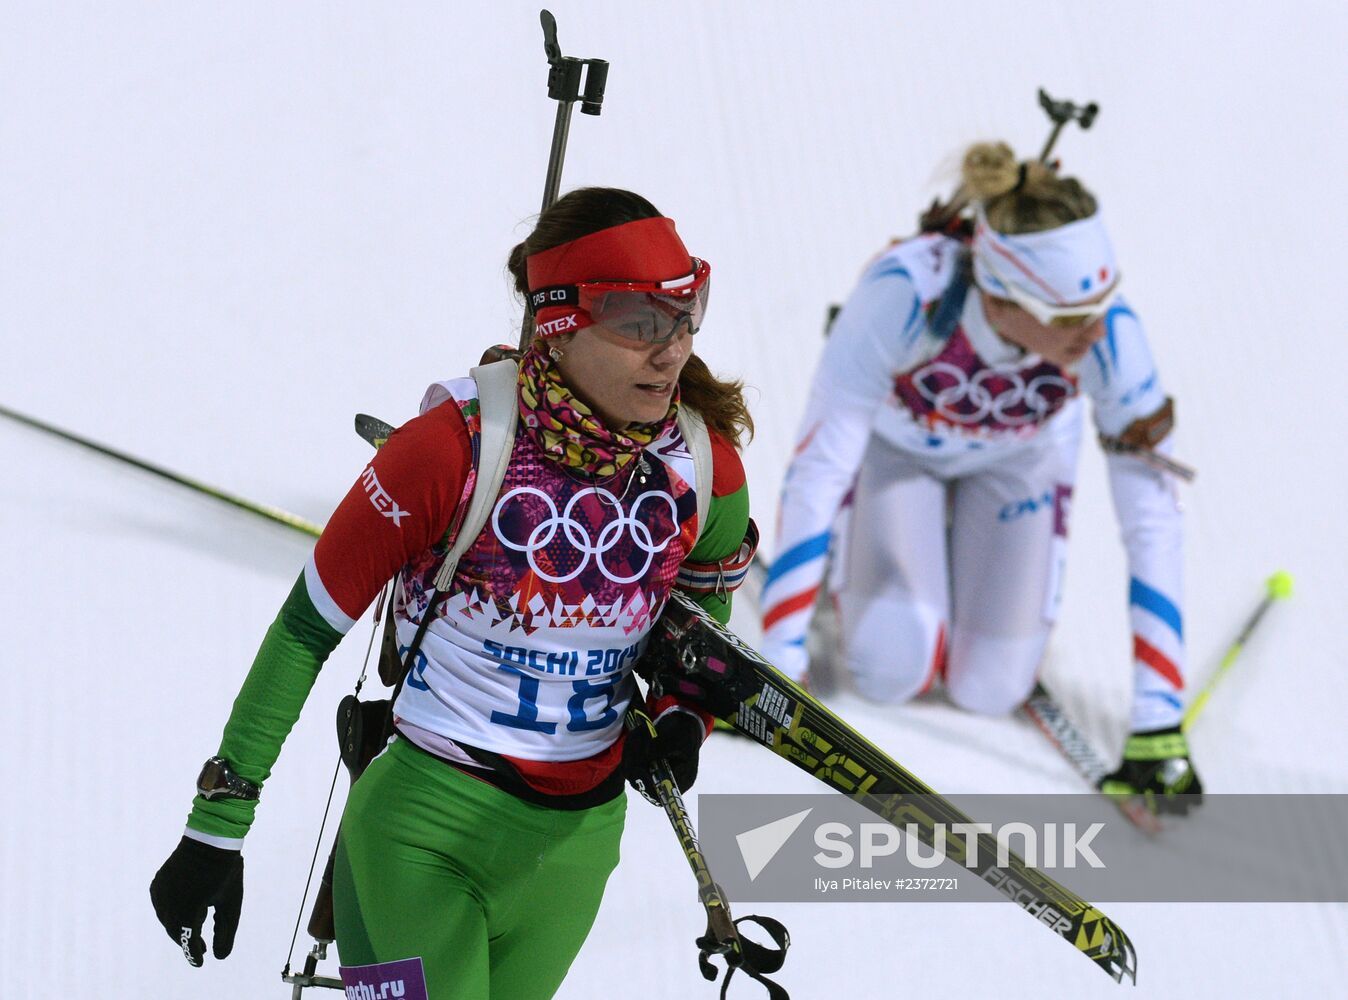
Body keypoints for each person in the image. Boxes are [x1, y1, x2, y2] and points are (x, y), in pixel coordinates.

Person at [150, 187, 758, 999]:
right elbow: (304, 630)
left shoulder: (707, 472)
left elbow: (700, 616)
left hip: (576, 847)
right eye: (641, 322)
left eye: (688, 313)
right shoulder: (453, 449)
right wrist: (215, 827)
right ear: (560, 320)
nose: (672, 349)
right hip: (423, 833)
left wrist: (682, 716)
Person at [759, 142, 1202, 813]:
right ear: (1001, 294)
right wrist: (780, 661)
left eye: (1102, 305)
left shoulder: (1110, 334)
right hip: (898, 453)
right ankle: (879, 559)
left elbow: (1152, 520)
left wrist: (1158, 721)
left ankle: (955, 560)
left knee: (990, 687)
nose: (1093, 332)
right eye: (1067, 319)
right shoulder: (905, 294)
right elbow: (820, 467)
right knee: (890, 670)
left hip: (1019, 462)